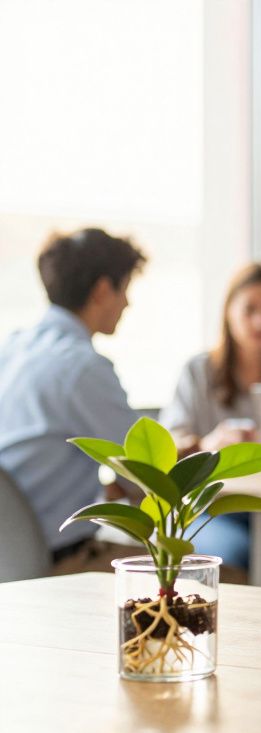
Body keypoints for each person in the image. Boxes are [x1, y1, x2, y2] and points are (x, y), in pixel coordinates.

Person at [159, 262, 261, 590]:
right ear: (229, 311)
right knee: (234, 554)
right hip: (213, 506)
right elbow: (168, 447)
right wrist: (209, 444)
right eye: (249, 310)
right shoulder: (198, 371)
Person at [0, 228, 147, 573]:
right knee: (229, 580)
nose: (127, 302)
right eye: (124, 288)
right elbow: (150, 474)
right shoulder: (81, 367)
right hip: (59, 562)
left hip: (11, 561)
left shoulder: (14, 348)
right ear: (101, 290)